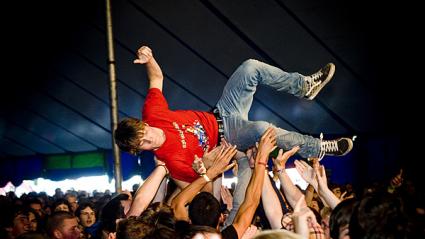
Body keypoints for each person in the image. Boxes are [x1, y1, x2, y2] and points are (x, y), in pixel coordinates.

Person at [114, 46, 353, 186]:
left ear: (144, 124)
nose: (149, 142)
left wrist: (150, 59)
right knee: (261, 129)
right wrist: (204, 166)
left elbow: (156, 79)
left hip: (222, 111)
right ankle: (317, 148)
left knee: (250, 67)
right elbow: (200, 180)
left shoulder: (153, 113)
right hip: (228, 135)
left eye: (145, 136)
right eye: (142, 146)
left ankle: (303, 86)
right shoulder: (171, 161)